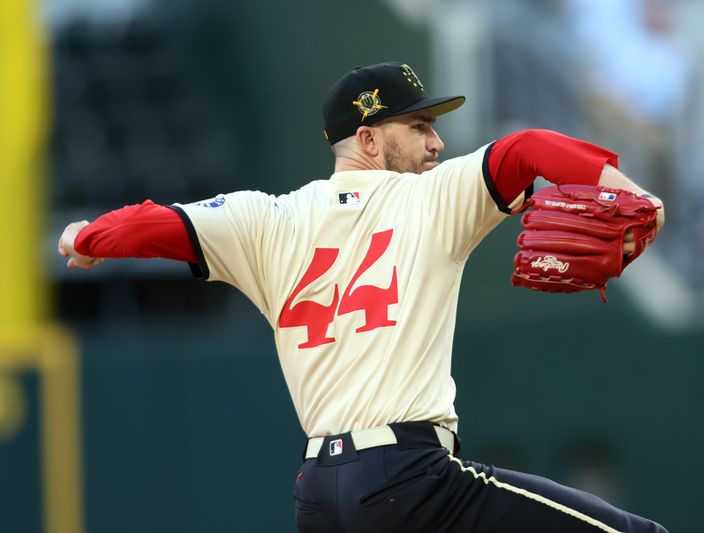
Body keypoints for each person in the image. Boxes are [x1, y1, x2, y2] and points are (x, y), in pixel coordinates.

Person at [58, 61, 667, 532]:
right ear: (369, 140)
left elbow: (156, 223)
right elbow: (528, 147)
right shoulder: (427, 198)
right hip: (411, 478)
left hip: (320, 496)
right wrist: (629, 191)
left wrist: (84, 238)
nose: (435, 145)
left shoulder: (262, 220)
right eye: (420, 127)